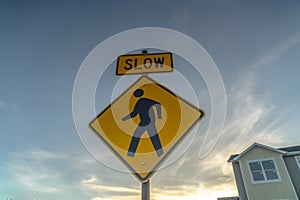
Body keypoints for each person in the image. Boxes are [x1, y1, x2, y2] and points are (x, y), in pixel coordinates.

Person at [122, 88, 164, 157]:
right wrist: (124, 119)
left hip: (148, 122)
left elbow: (158, 104)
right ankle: (160, 153)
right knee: (151, 137)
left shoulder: (144, 100)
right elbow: (134, 113)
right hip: (144, 122)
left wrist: (159, 116)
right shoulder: (139, 102)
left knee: (144, 136)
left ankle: (131, 154)